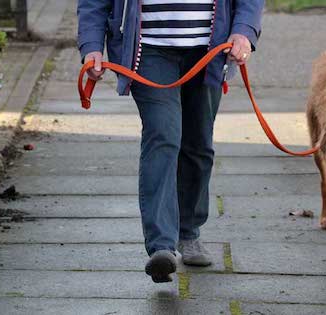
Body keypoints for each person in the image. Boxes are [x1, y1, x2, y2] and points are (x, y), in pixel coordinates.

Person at [77, 1, 264, 283]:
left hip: (209, 48)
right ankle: (162, 246)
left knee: (198, 145)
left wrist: (243, 30)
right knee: (163, 136)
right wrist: (91, 44)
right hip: (147, 48)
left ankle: (188, 232)